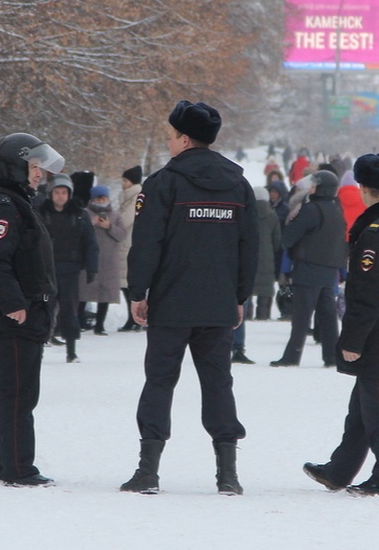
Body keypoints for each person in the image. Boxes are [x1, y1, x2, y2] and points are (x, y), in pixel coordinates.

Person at [120, 100, 259, 496]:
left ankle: (148, 472)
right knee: (218, 384)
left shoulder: (163, 183)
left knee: (160, 382)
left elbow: (147, 243)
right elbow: (250, 247)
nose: (168, 143)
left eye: (170, 136)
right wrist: (239, 297)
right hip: (217, 306)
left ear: (183, 138)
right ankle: (228, 475)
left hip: (171, 304)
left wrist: (138, 292)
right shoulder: (239, 185)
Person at [303, 152, 379, 498]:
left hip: (378, 334)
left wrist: (351, 339)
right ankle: (340, 470)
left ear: (365, 188)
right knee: (363, 405)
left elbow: (367, 294)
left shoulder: (376, 231)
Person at [0, 132, 65, 487]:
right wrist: (14, 305)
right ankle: (17, 468)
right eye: (34, 166)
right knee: (18, 393)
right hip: (10, 319)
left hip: (19, 316)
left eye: (41, 167)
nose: (40, 174)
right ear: (15, 167)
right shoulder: (4, 207)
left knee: (3, 389)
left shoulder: (17, 202)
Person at [270, 170, 346, 368]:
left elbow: (289, 237)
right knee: (328, 316)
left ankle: (291, 357)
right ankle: (332, 357)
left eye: (314, 185)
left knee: (301, 316)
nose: (310, 188)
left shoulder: (311, 209)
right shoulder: (336, 210)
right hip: (329, 270)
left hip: (308, 268)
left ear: (321, 188)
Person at [39, 173, 99, 362]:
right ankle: (38, 347)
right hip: (46, 271)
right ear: (51, 193)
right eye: (57, 192)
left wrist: (92, 268)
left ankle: (71, 350)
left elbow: (90, 243)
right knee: (43, 310)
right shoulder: (40, 214)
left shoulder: (80, 215)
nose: (60, 196)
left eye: (64, 192)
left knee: (70, 310)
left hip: (71, 270)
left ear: (69, 194)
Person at [78, 185, 126, 336]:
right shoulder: (84, 214)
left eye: (104, 198)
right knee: (84, 292)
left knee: (105, 294)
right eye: (98, 198)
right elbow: (76, 232)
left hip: (109, 261)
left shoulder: (115, 215)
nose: (101, 201)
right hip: (89, 259)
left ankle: (100, 325)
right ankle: (79, 323)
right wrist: (90, 224)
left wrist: (109, 226)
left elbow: (122, 235)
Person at [117, 165, 143, 332]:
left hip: (128, 244)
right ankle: (132, 318)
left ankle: (134, 318)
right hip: (124, 244)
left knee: (128, 285)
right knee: (125, 285)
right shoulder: (126, 197)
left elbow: (125, 220)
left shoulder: (135, 198)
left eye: (125, 181)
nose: (122, 184)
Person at [252, 186, 281, 321]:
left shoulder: (247, 213)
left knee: (248, 286)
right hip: (267, 256)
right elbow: (277, 240)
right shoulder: (272, 215)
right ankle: (263, 315)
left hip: (249, 254)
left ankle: (246, 314)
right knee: (265, 288)